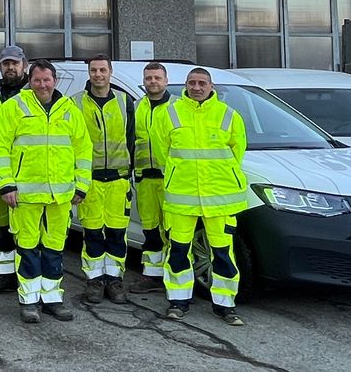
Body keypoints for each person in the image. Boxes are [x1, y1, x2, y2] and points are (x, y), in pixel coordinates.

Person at [0, 59, 92, 323]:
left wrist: (81, 185)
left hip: (60, 195)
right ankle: (29, 301)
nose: (42, 85)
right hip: (24, 195)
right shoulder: (14, 107)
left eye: (47, 80)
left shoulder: (69, 110)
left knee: (54, 250)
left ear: (55, 81)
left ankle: (52, 300)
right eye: (37, 80)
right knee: (27, 249)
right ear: (30, 81)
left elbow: (83, 151)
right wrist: (6, 184)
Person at [152, 67, 248, 326]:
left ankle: (225, 305)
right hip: (181, 197)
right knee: (179, 252)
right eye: (192, 83)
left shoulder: (228, 115)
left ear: (211, 85)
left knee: (223, 253)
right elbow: (163, 153)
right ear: (185, 85)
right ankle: (178, 301)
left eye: (201, 83)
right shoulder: (169, 114)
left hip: (219, 198)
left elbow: (238, 152)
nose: (197, 87)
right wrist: (177, 175)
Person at [70, 54, 134, 304]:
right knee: (93, 233)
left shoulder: (124, 101)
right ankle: (95, 281)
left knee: (118, 233)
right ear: (89, 73)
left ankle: (114, 280)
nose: (98, 74)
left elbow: (132, 139)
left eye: (102, 70)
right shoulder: (75, 103)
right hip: (91, 180)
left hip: (119, 179)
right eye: (94, 70)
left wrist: (131, 172)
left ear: (110, 72)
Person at [0, 45, 28, 296]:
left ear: (25, 65)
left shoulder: (37, 91)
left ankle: (28, 274)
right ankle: (5, 274)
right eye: (6, 63)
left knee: (30, 229)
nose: (11, 68)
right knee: (2, 228)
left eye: (15, 63)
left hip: (31, 174)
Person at [128, 62, 174, 293]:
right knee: (150, 229)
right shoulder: (136, 106)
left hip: (172, 179)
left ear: (166, 80)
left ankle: (174, 275)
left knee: (174, 230)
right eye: (148, 78)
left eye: (157, 78)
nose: (153, 82)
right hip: (145, 178)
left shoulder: (178, 107)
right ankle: (152, 276)